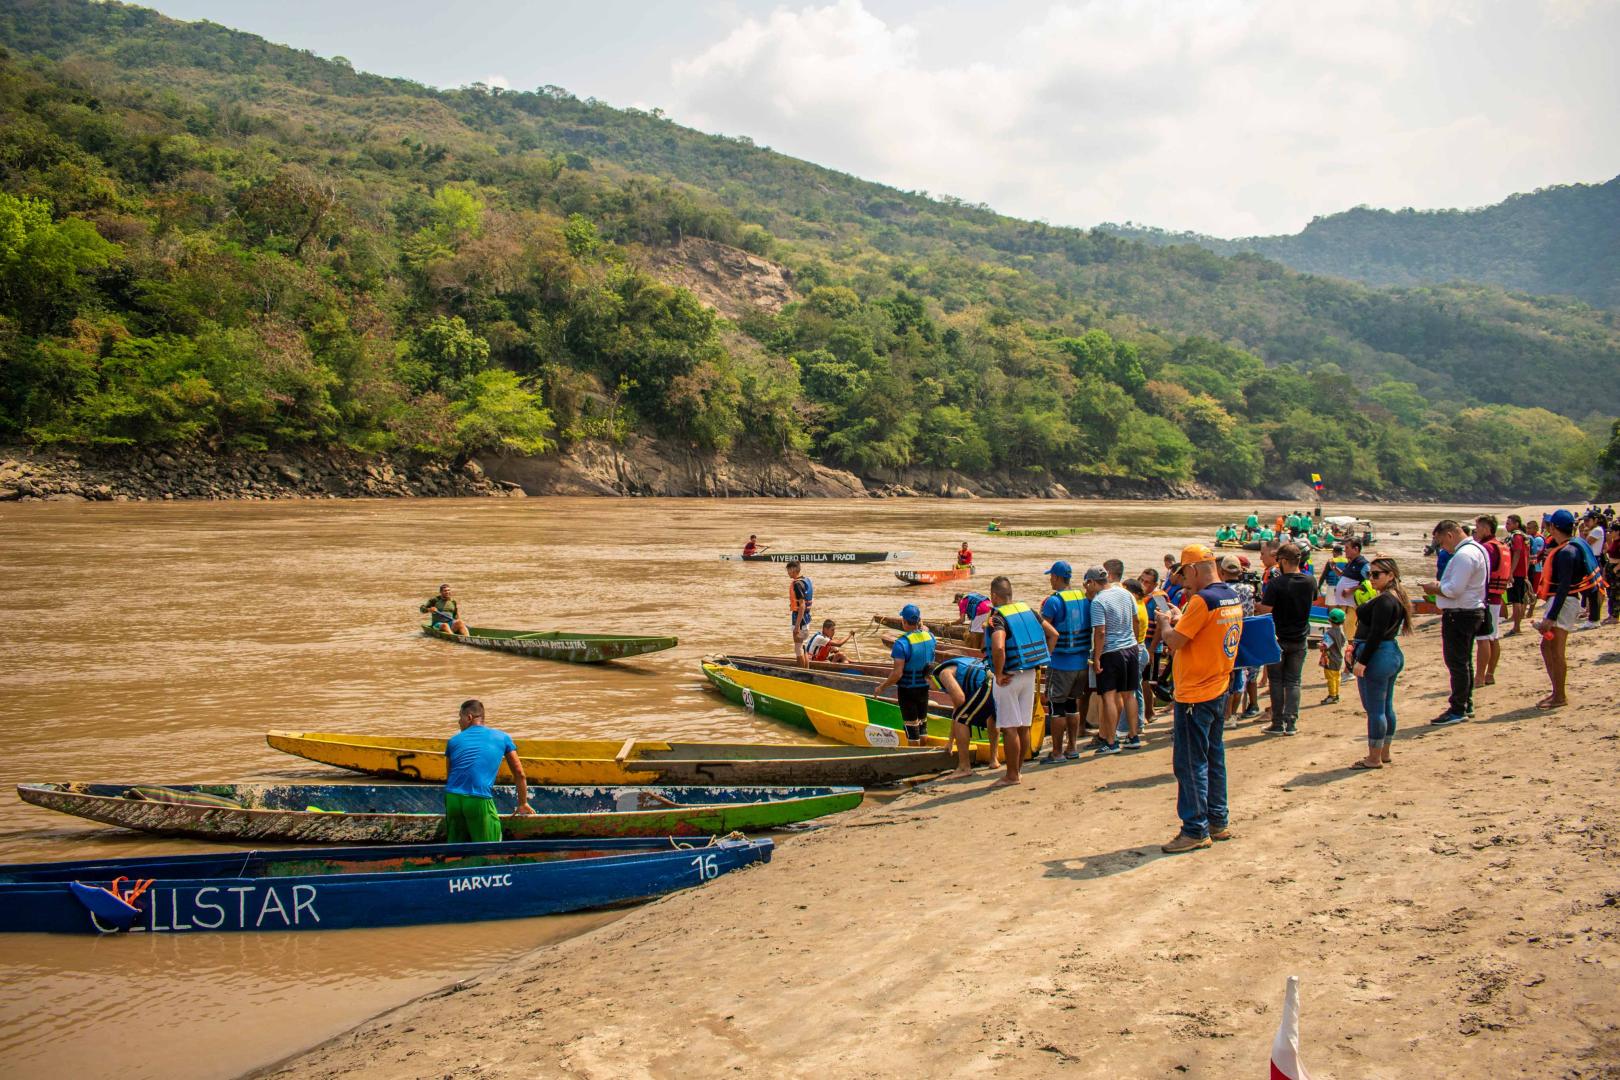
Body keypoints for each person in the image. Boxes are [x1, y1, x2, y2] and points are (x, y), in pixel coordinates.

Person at [1155, 544, 1243, 854]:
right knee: (1214, 756)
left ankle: (1194, 829)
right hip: (1219, 685)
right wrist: (1182, 617)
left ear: (1192, 570)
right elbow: (1203, 633)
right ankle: (1218, 820)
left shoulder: (1201, 601)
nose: (1184, 582)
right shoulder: (1230, 597)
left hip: (1195, 692)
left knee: (1190, 763)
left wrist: (1166, 622)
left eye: (1184, 575)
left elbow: (1176, 641)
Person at [984, 575, 1053, 786]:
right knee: (1023, 726)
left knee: (1009, 727)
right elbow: (1053, 634)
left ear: (994, 596)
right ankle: (1018, 771)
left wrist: (998, 673)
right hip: (1030, 673)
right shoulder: (1029, 611)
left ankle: (1011, 775)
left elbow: (998, 647)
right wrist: (1044, 659)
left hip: (1009, 676)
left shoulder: (998, 618)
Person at [1419, 519, 1487, 726]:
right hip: (1470, 610)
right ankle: (1466, 703)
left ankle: (1458, 708)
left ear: (1449, 535)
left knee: (1456, 662)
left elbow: (1454, 589)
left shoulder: (1464, 554)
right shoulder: (1477, 549)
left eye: (1441, 542)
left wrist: (1435, 588)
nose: (1442, 548)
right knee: (1464, 661)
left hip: (1460, 613)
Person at [1348, 557, 1413, 769]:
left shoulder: (1385, 600)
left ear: (1391, 576)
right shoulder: (1396, 597)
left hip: (1377, 653)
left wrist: (1362, 662)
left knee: (1375, 709)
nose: (1372, 579)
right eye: (1370, 574)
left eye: (1377, 575)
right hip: (1389, 652)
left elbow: (1376, 633)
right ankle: (1383, 753)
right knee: (1385, 707)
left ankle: (1374, 757)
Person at [1535, 509, 1600, 709]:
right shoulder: (1571, 546)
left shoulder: (1566, 552)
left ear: (1553, 527)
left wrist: (1550, 618)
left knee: (1556, 650)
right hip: (1565, 602)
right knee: (1547, 647)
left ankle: (1560, 696)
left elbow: (1563, 586)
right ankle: (1556, 691)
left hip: (1563, 603)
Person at [444, 699, 533, 842]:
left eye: (460, 717)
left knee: (455, 849)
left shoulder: (453, 741)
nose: (458, 722)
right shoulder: (503, 737)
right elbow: (519, 774)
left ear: (469, 717)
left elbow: (449, 776)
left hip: (452, 799)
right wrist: (522, 803)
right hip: (478, 799)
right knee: (490, 848)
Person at [1255, 542, 1316, 736]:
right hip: (1300, 637)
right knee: (1293, 681)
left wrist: (1256, 604)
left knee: (1276, 681)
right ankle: (1291, 722)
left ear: (1282, 561)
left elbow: (1267, 610)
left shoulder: (1276, 584)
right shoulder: (1310, 581)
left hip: (1278, 637)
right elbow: (1312, 600)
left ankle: (1277, 722)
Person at [1086, 563, 1141, 754]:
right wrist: (1134, 641)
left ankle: (1111, 741)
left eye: (1087, 585)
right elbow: (1136, 621)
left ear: (1093, 582)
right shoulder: (1126, 593)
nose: (1086, 589)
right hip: (1131, 648)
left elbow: (1100, 632)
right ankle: (1133, 735)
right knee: (1129, 694)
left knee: (1108, 696)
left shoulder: (1098, 602)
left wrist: (1098, 657)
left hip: (1111, 652)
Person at [1038, 560, 1090, 763]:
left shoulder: (1053, 601)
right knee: (1072, 705)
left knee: (1056, 707)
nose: (1050, 580)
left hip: (1060, 662)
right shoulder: (1083, 597)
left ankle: (1057, 752)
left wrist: (1042, 657)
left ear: (1058, 578)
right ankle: (1072, 748)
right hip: (1081, 662)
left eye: (1051, 576)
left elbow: (1045, 629)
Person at [875, 604, 936, 746]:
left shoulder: (901, 643)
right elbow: (924, 631)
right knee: (922, 727)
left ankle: (914, 759)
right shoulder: (930, 637)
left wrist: (881, 687)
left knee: (912, 729)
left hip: (908, 690)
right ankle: (922, 754)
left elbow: (897, 673)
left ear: (904, 621)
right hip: (924, 688)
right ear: (919, 620)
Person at [932, 656, 995, 778]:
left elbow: (959, 701)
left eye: (927, 683)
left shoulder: (944, 674)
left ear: (930, 677)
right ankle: (994, 760)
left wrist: (951, 739)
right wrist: (950, 741)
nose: (929, 687)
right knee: (990, 716)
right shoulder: (956, 665)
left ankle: (964, 767)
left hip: (985, 685)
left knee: (961, 720)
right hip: (994, 681)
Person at [1474, 515, 1511, 687]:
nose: (1476, 530)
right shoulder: (1501, 545)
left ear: (1487, 528)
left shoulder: (1487, 548)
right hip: (1495, 597)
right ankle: (1489, 674)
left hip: (1487, 598)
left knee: (1485, 637)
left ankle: (1480, 677)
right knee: (1493, 636)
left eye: (1478, 527)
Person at [1332, 537, 1370, 642]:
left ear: (1356, 549)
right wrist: (1335, 569)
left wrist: (1351, 590)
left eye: (1347, 548)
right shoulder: (1351, 562)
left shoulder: (1363, 564)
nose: (1345, 550)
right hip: (1345, 604)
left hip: (1352, 605)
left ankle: (1352, 653)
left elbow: (1371, 583)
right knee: (1347, 630)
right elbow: (1345, 577)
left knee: (1351, 632)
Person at [1503, 514, 1533, 636]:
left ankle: (1516, 627)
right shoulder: (1523, 536)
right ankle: (1517, 626)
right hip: (1521, 572)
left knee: (1516, 600)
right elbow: (1527, 556)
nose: (1506, 525)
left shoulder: (1517, 536)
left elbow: (1517, 553)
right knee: (1519, 599)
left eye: (1509, 523)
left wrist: (1510, 572)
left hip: (1516, 573)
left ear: (1516, 524)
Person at [787, 561, 814, 664]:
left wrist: (797, 625)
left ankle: (801, 672)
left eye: (788, 570)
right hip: (806, 619)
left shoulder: (797, 584)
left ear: (793, 569)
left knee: (798, 649)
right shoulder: (806, 580)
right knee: (803, 648)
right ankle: (806, 671)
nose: (788, 573)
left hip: (800, 620)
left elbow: (802, 605)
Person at [1319, 607, 1347, 704]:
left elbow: (1325, 646)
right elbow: (1343, 642)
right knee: (1336, 677)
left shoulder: (1329, 633)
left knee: (1330, 678)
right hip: (1338, 658)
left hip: (1330, 658)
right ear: (1343, 621)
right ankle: (1336, 694)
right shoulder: (1341, 632)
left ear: (1329, 620)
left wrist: (1320, 645)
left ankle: (1332, 696)